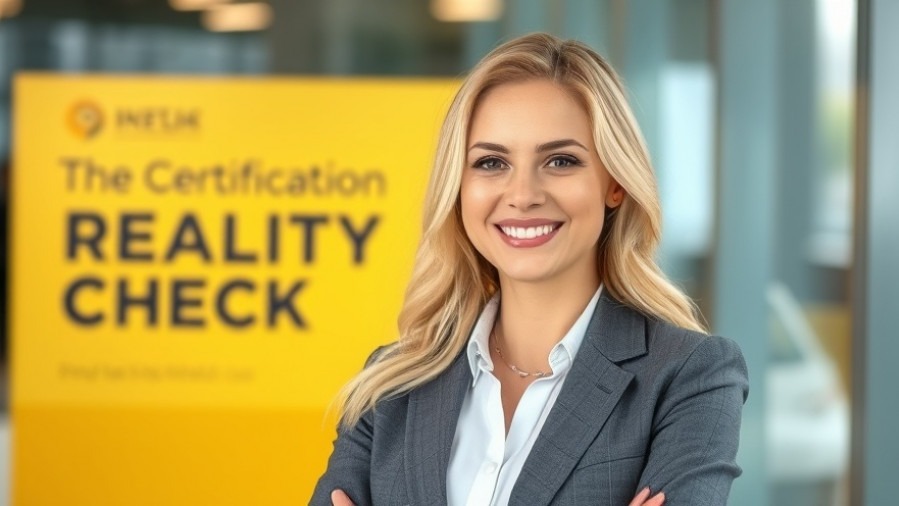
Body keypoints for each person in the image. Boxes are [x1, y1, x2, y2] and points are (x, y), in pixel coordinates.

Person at [310, 32, 748, 506]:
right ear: (458, 188)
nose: (522, 195)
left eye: (561, 161)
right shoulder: (392, 383)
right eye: (491, 162)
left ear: (615, 183)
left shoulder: (689, 377)